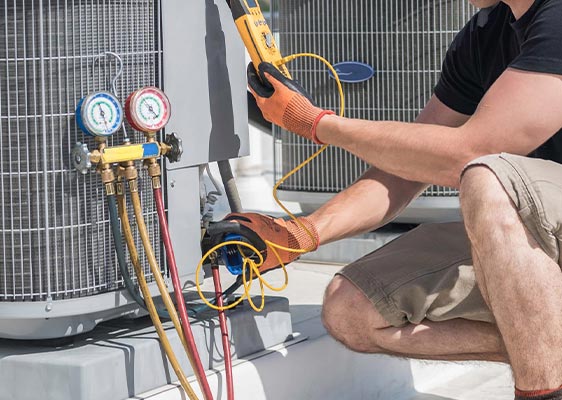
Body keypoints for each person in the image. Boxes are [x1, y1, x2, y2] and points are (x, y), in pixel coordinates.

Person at [203, 0, 562, 398]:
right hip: (540, 233)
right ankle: (548, 357)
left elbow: (473, 151)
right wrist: (304, 233)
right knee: (352, 310)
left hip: (532, 216)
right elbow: (405, 171)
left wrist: (317, 123)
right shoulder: (482, 36)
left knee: (485, 177)